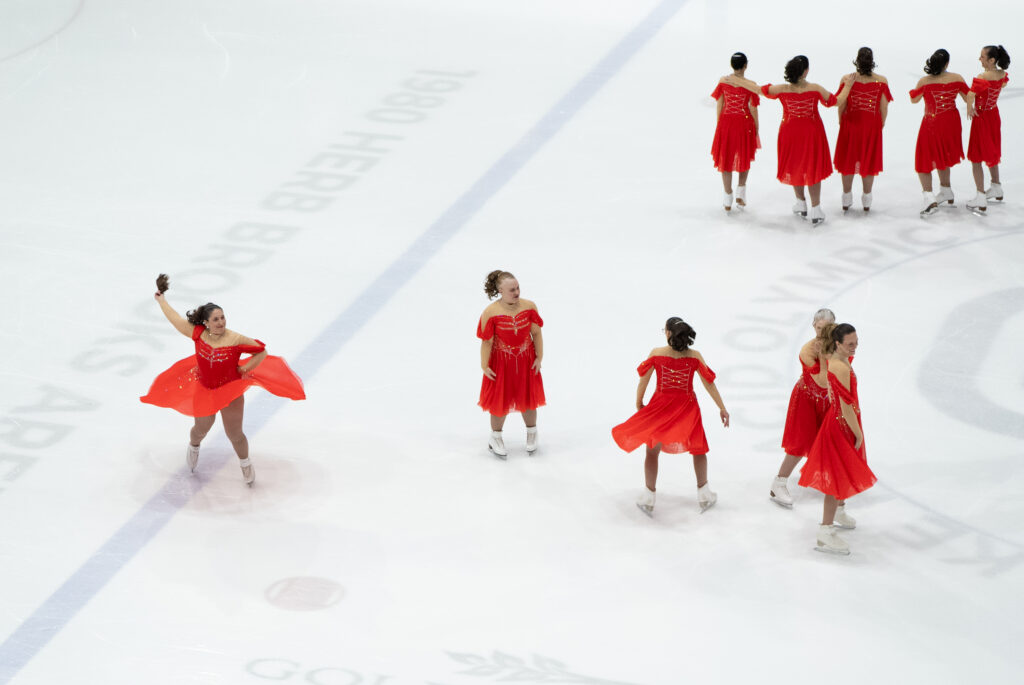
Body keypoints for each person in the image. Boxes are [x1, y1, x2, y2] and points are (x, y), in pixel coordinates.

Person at [140, 278, 305, 485]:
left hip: (230, 390)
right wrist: (162, 301)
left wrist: (245, 368)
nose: (221, 322)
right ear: (206, 323)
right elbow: (176, 320)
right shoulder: (198, 334)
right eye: (216, 319)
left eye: (223, 317)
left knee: (234, 434)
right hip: (205, 388)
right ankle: (194, 446)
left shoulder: (235, 339)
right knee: (201, 429)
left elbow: (261, 351)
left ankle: (245, 463)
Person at [612, 318, 729, 516]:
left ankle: (649, 496)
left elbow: (643, 380)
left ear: (667, 333)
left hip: (660, 407)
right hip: (687, 408)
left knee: (652, 451)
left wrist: (639, 402)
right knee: (698, 448)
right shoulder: (695, 356)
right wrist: (722, 408)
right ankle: (704, 494)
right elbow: (709, 383)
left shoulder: (657, 353)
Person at [798, 323, 876, 555]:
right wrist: (858, 433)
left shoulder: (839, 359)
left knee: (842, 471)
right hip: (842, 425)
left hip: (841, 421)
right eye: (850, 344)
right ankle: (825, 530)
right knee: (834, 477)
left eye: (856, 342)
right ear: (838, 343)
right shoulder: (840, 366)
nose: (855, 347)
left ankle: (839, 511)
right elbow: (846, 405)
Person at [771, 309, 853, 523]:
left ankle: (838, 502)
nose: (822, 333)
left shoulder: (840, 347)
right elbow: (824, 381)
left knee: (833, 445)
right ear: (813, 326)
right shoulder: (807, 350)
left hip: (829, 402)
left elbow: (842, 373)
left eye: (827, 329)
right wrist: (826, 358)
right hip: (807, 401)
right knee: (800, 444)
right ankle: (778, 483)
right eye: (819, 328)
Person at [760, 55, 837, 225]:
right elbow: (833, 101)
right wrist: (849, 86)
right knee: (812, 167)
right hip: (812, 133)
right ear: (806, 71)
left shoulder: (783, 89)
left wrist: (738, 81)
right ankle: (815, 209)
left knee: (796, 164)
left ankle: (801, 204)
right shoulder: (815, 88)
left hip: (790, 132)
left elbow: (762, 90)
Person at [477, 270, 544, 459]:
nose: (517, 292)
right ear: (500, 291)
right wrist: (484, 365)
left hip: (526, 360)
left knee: (528, 398)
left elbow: (536, 333)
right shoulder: (490, 312)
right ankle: (495, 437)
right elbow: (487, 342)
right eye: (512, 290)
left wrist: (539, 357)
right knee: (501, 400)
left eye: (517, 288)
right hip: (501, 363)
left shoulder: (529, 306)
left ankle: (532, 432)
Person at [910, 49, 970, 216]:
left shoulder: (925, 81)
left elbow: (914, 100)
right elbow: (969, 97)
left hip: (933, 122)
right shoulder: (957, 78)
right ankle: (946, 191)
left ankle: (929, 198)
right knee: (943, 156)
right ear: (947, 64)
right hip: (951, 123)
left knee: (924, 159)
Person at [834, 48, 892, 213]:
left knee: (848, 160)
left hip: (850, 124)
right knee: (868, 160)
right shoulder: (882, 80)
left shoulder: (847, 79)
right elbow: (884, 107)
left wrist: (841, 121)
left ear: (857, 60)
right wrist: (881, 124)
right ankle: (867, 199)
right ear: (872, 61)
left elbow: (841, 104)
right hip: (871, 126)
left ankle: (846, 197)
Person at [711, 51, 761, 212]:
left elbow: (720, 103)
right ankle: (741, 190)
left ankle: (727, 197)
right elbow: (753, 108)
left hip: (726, 122)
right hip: (744, 123)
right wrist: (756, 127)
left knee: (726, 158)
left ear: (732, 65)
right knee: (744, 155)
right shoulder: (751, 84)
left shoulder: (723, 81)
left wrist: (719, 124)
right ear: (745, 66)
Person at [965, 45, 1010, 214]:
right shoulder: (1002, 74)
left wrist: (970, 108)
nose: (980, 59)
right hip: (993, 115)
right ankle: (996, 187)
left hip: (982, 117)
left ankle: (980, 195)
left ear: (992, 60)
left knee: (976, 157)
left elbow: (971, 95)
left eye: (982, 57)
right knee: (992, 152)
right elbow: (1002, 85)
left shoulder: (983, 77)